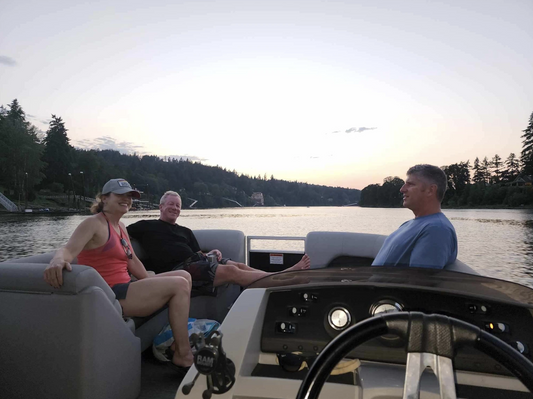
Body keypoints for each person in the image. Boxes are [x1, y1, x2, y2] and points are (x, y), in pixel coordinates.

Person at [44, 179, 193, 374]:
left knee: (184, 275)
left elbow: (132, 261)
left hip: (125, 286)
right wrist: (56, 261)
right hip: (110, 295)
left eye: (129, 196)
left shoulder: (120, 226)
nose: (126, 200)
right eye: (120, 195)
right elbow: (68, 250)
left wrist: (150, 281)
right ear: (104, 198)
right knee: (179, 285)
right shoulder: (93, 223)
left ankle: (176, 343)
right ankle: (183, 354)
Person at [127, 191, 311, 289]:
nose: (175, 208)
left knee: (239, 266)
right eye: (171, 204)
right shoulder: (145, 226)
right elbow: (118, 233)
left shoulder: (185, 231)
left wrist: (211, 254)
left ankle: (279, 276)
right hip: (178, 270)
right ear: (160, 206)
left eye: (178, 205)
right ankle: (284, 278)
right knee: (232, 271)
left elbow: (198, 254)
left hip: (197, 262)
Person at [372, 164, 457, 269]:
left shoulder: (436, 229)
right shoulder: (408, 224)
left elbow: (419, 281)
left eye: (410, 184)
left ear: (430, 190)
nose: (402, 189)